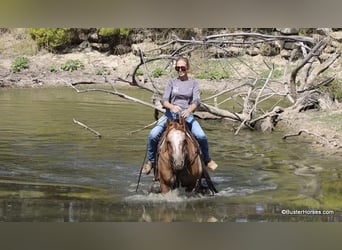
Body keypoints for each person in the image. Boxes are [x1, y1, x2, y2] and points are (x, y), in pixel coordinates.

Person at [142, 57, 218, 174]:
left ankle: (207, 159)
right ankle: (151, 162)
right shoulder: (171, 82)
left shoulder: (193, 83)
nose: (180, 70)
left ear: (187, 68)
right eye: (178, 68)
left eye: (183, 67)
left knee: (201, 136)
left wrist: (189, 110)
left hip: (187, 116)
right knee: (153, 135)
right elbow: (164, 100)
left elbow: (196, 101)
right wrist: (172, 107)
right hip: (170, 116)